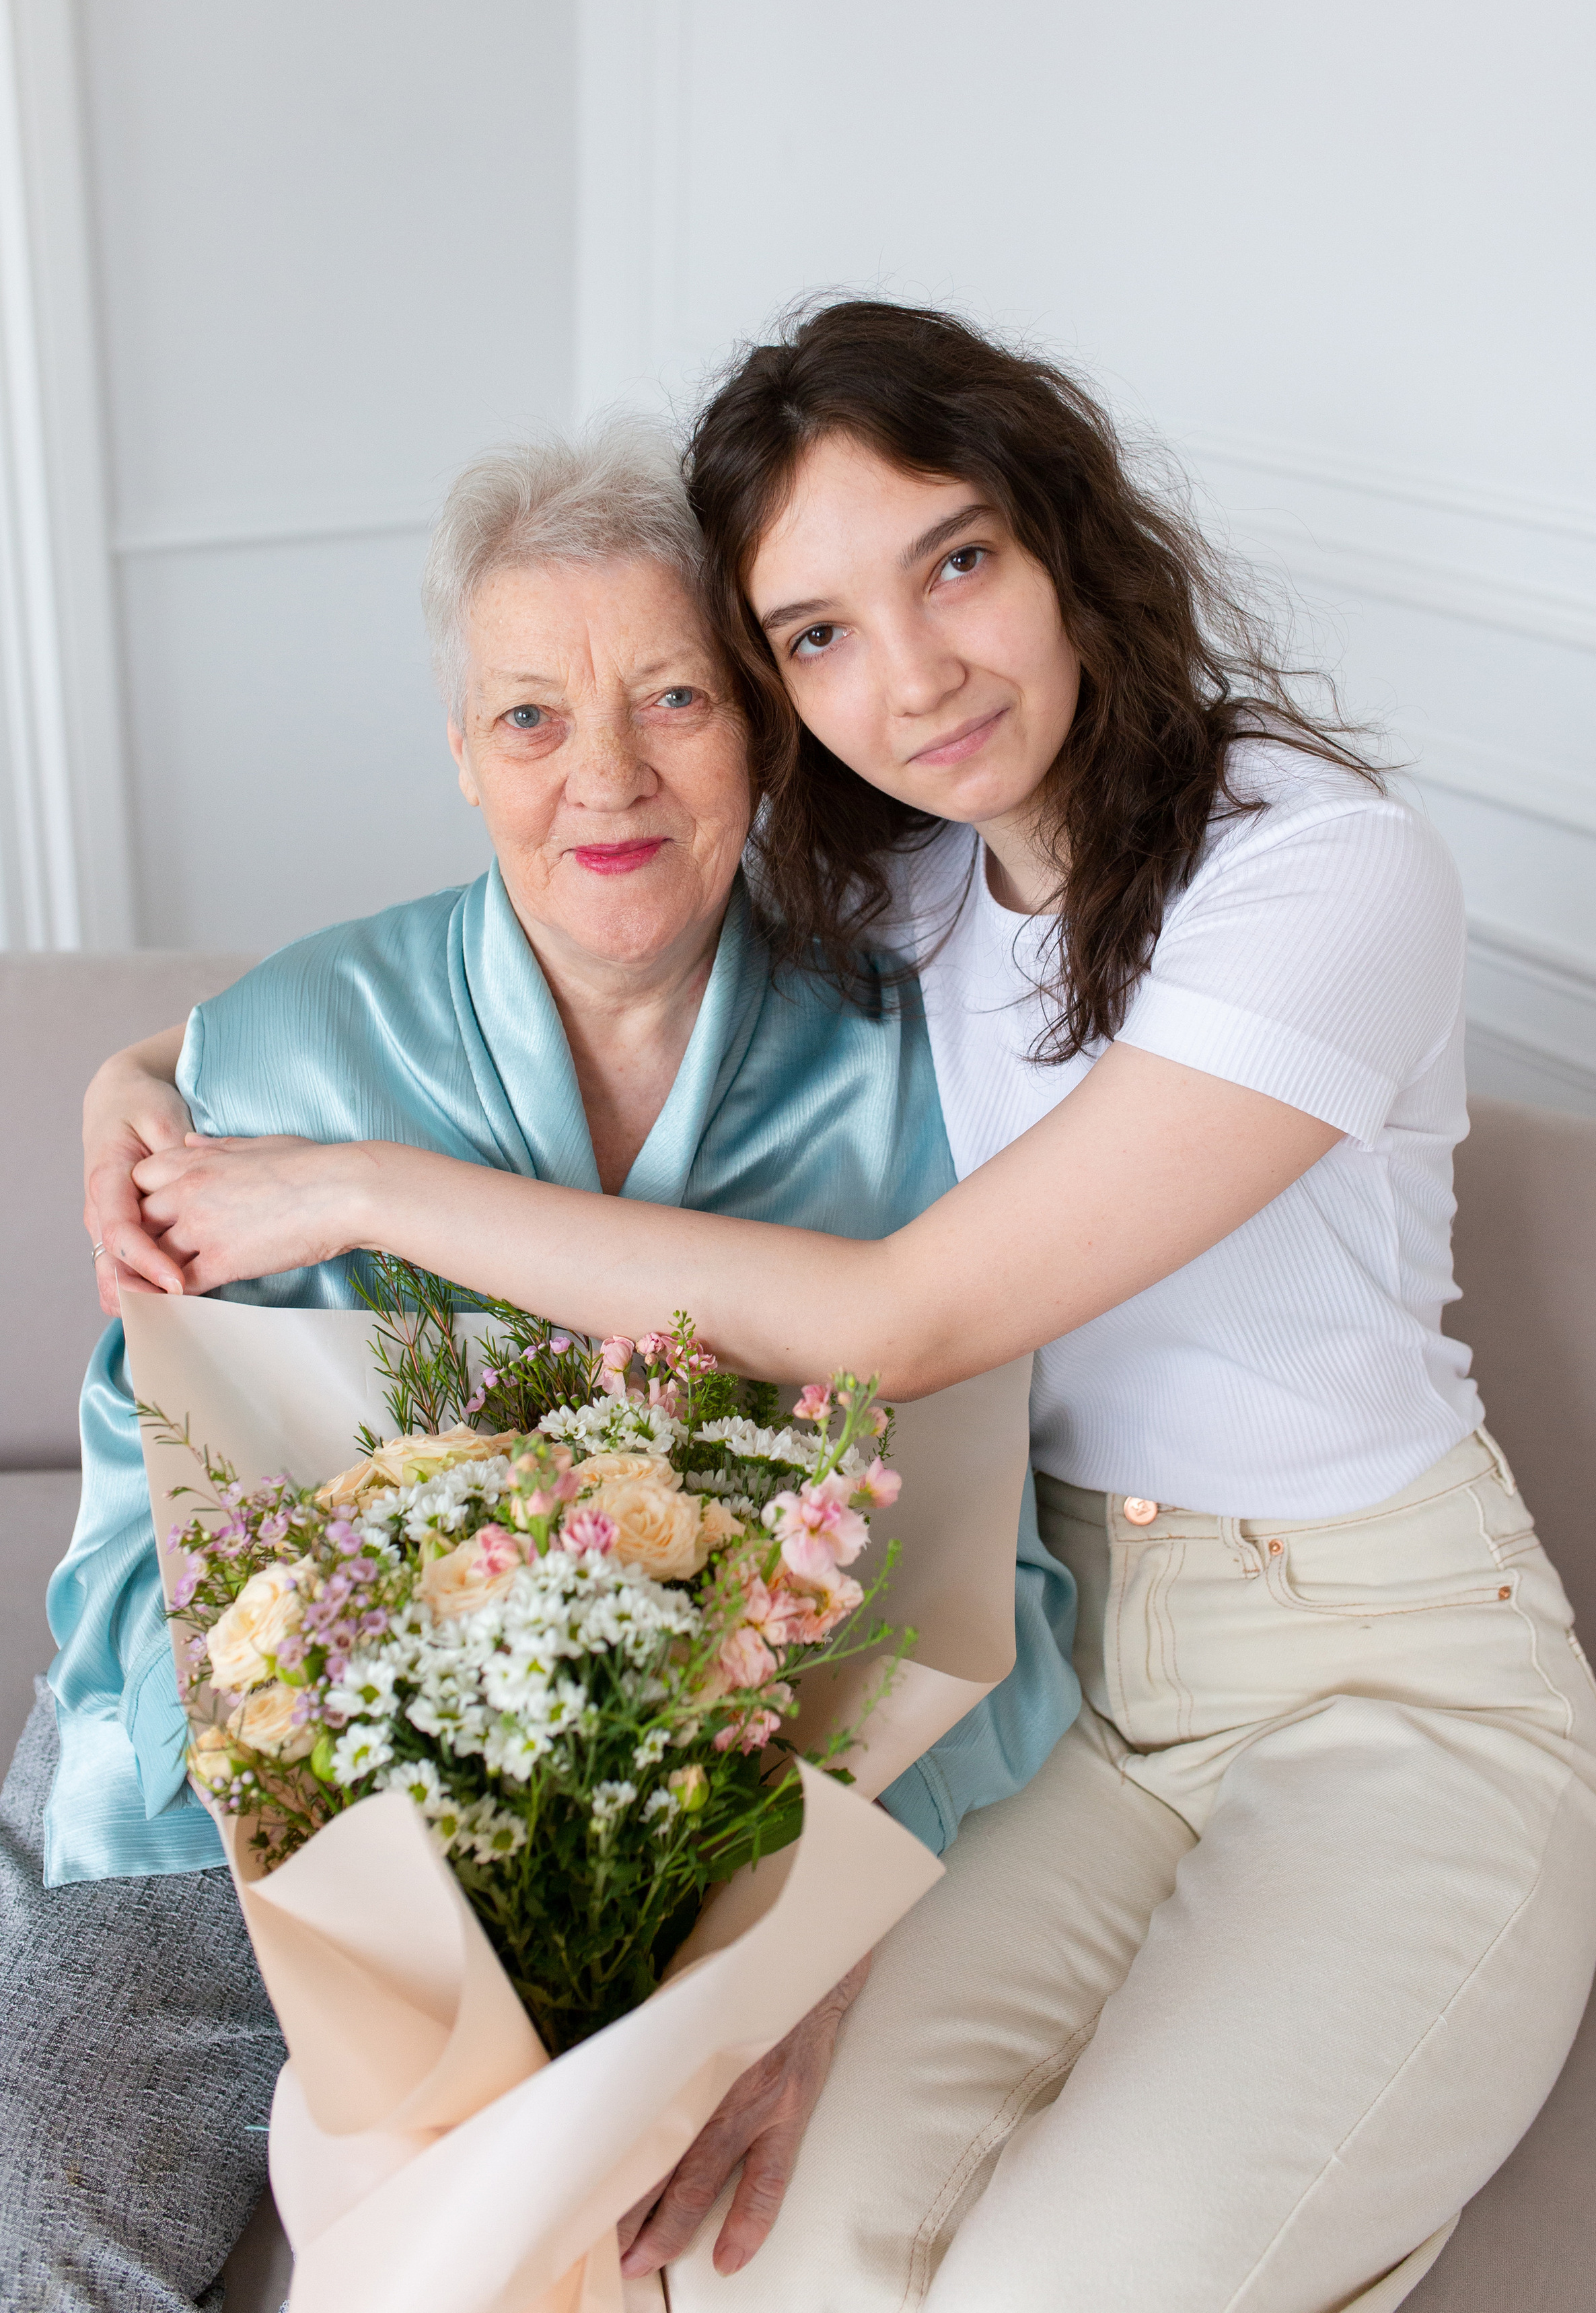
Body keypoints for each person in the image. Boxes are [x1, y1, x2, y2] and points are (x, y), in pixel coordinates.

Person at [104, 303, 1596, 2313]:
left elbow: (905, 1320)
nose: (909, 677)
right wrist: (127, 1089)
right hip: (1084, 1690)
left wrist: (361, 1192)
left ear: (1068, 540)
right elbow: (507, 917)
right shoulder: (908, 896)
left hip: (1395, 1673)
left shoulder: (1323, 877)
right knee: (751, 2249)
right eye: (816, 633)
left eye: (958, 563)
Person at [6, 414, 1079, 2313]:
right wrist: (307, 1807)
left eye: (673, 697)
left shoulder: (905, 1072)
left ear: (757, 721)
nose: (606, 778)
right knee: (51, 2221)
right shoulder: (287, 1049)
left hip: (697, 1837)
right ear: (460, 757)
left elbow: (978, 1560)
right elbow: (137, 1529)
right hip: (229, 1815)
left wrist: (812, 1931)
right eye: (529, 718)